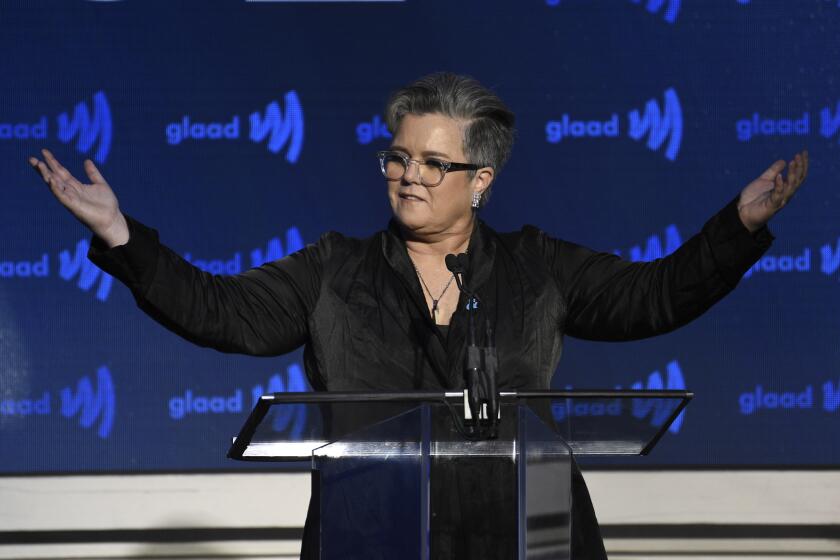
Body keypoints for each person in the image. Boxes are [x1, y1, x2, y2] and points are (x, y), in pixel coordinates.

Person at [29, 72, 808, 559]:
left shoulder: (538, 269)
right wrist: (121, 237)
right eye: (398, 157)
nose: (408, 176)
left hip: (527, 537)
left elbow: (656, 295)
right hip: (370, 539)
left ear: (481, 181)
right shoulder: (334, 270)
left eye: (435, 163)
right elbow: (219, 312)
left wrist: (734, 229)